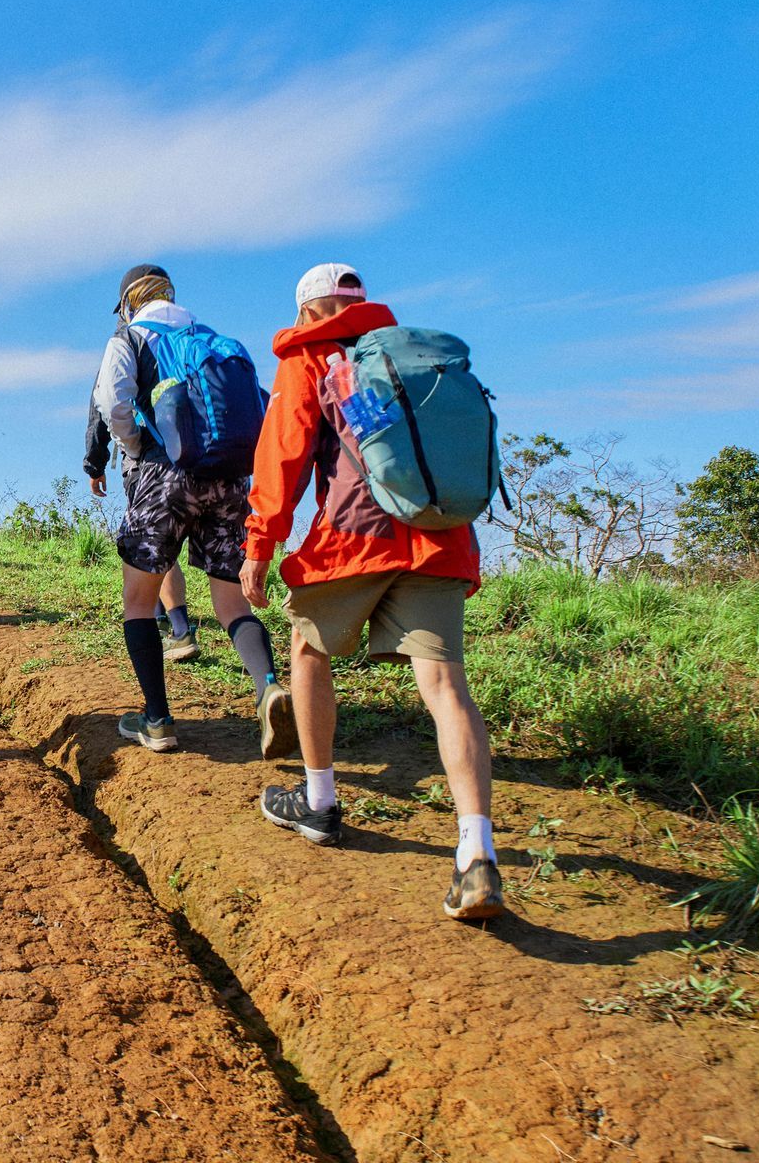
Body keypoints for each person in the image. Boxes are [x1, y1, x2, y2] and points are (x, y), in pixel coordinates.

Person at [240, 262, 503, 921]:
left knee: (306, 650)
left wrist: (258, 546)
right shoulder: (412, 359)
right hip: (440, 536)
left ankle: (321, 801)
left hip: (352, 540)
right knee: (445, 687)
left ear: (307, 311)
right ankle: (477, 853)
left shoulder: (311, 360)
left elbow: (282, 462)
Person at [87, 263, 293, 755]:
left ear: (129, 303)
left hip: (163, 476)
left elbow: (112, 402)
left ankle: (157, 720)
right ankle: (268, 688)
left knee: (139, 602)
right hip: (227, 480)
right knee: (231, 603)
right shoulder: (216, 340)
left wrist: (137, 446)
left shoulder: (131, 338)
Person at [86, 404, 198, 663]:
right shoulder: (181, 363)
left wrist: (95, 464)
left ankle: (180, 630)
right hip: (191, 454)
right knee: (158, 545)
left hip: (148, 459)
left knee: (155, 546)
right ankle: (157, 619)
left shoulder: (129, 362)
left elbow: (104, 407)